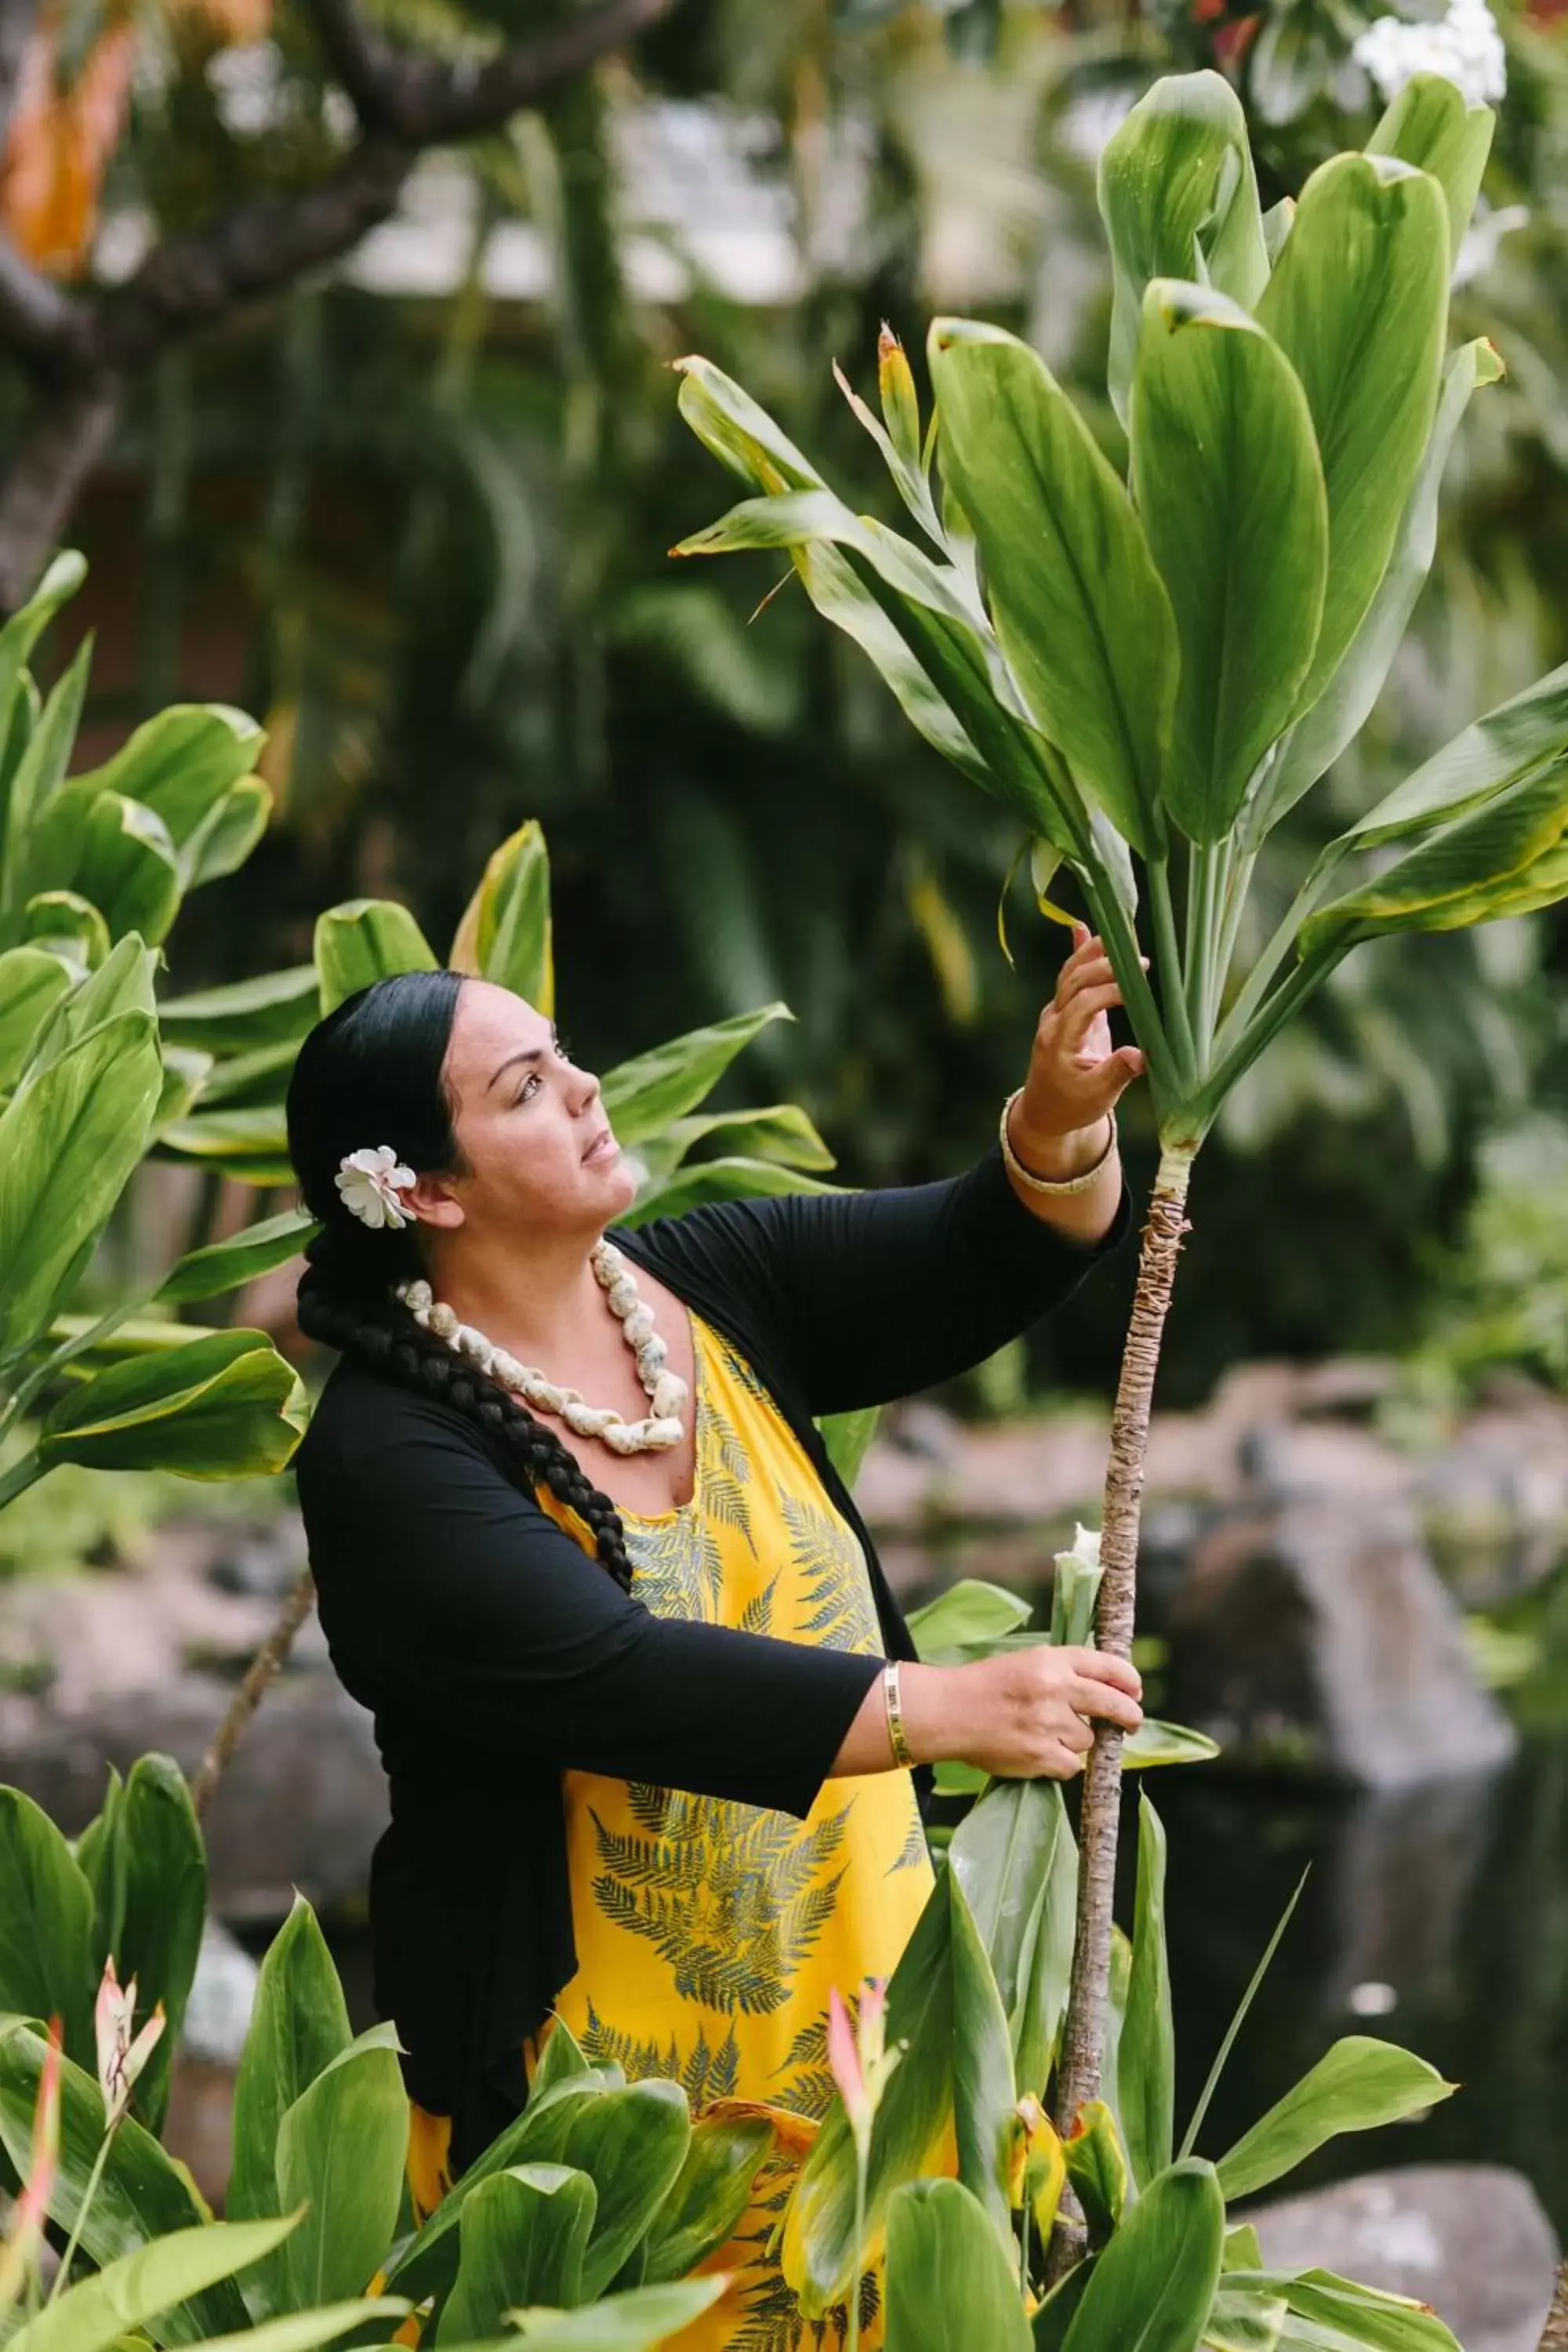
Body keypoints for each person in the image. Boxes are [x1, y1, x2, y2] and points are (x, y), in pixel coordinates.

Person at [285, 924, 1145, 2350]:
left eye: (563, 1059)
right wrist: (941, 1708)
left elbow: (981, 1250)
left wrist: (1057, 1116)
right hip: (605, 2102)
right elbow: (611, 1678)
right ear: (423, 1191)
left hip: (865, 2018)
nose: (582, 1090)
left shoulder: (712, 1285)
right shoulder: (386, 1452)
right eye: (523, 1091)